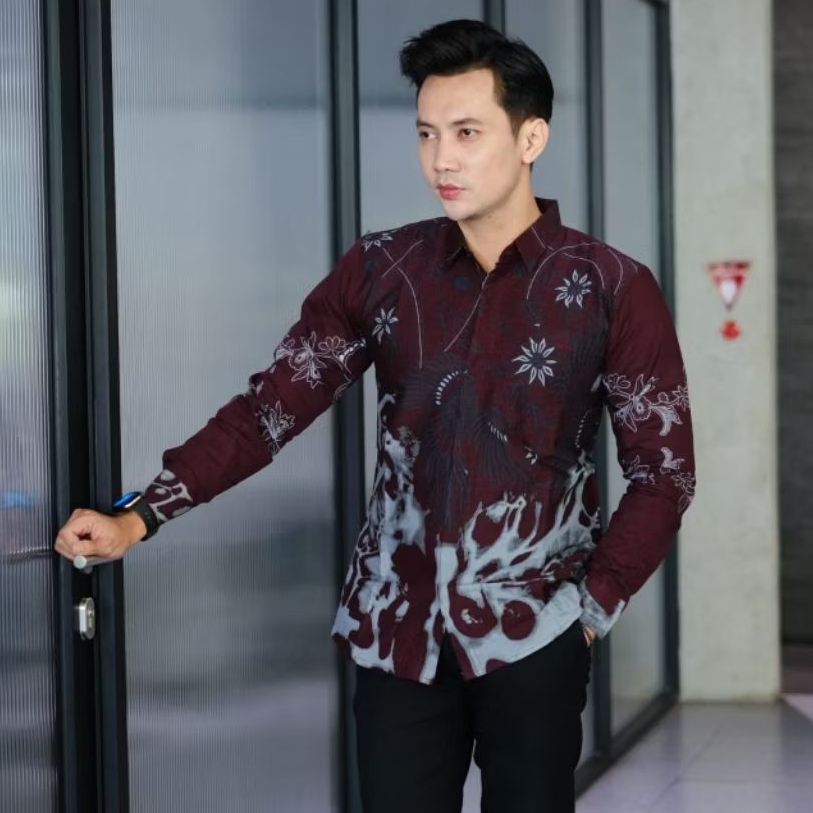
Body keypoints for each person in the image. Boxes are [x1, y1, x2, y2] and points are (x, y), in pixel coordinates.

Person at [55, 19, 695, 813]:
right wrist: (142, 513)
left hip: (536, 631)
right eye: (426, 133)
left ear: (530, 137)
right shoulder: (382, 267)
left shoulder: (610, 286)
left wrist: (590, 611)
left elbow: (663, 473)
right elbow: (269, 409)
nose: (440, 158)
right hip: (396, 631)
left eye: (466, 132)